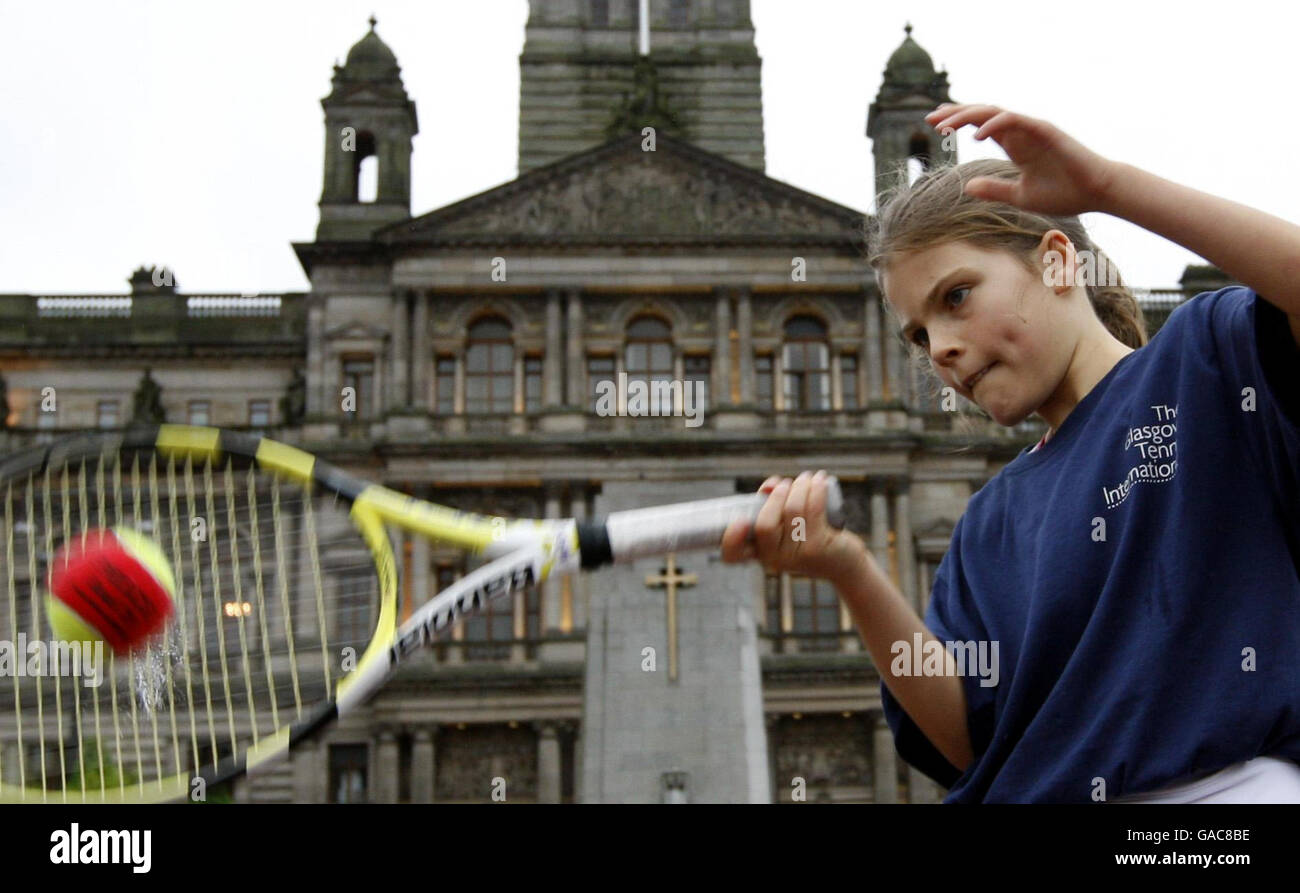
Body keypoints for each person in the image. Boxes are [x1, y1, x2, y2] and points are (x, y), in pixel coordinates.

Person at [721, 103, 1300, 803]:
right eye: (917, 334)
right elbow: (971, 737)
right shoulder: (988, 518)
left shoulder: (1203, 361)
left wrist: (1111, 186)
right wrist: (845, 565)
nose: (940, 349)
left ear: (1057, 260)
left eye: (956, 296)